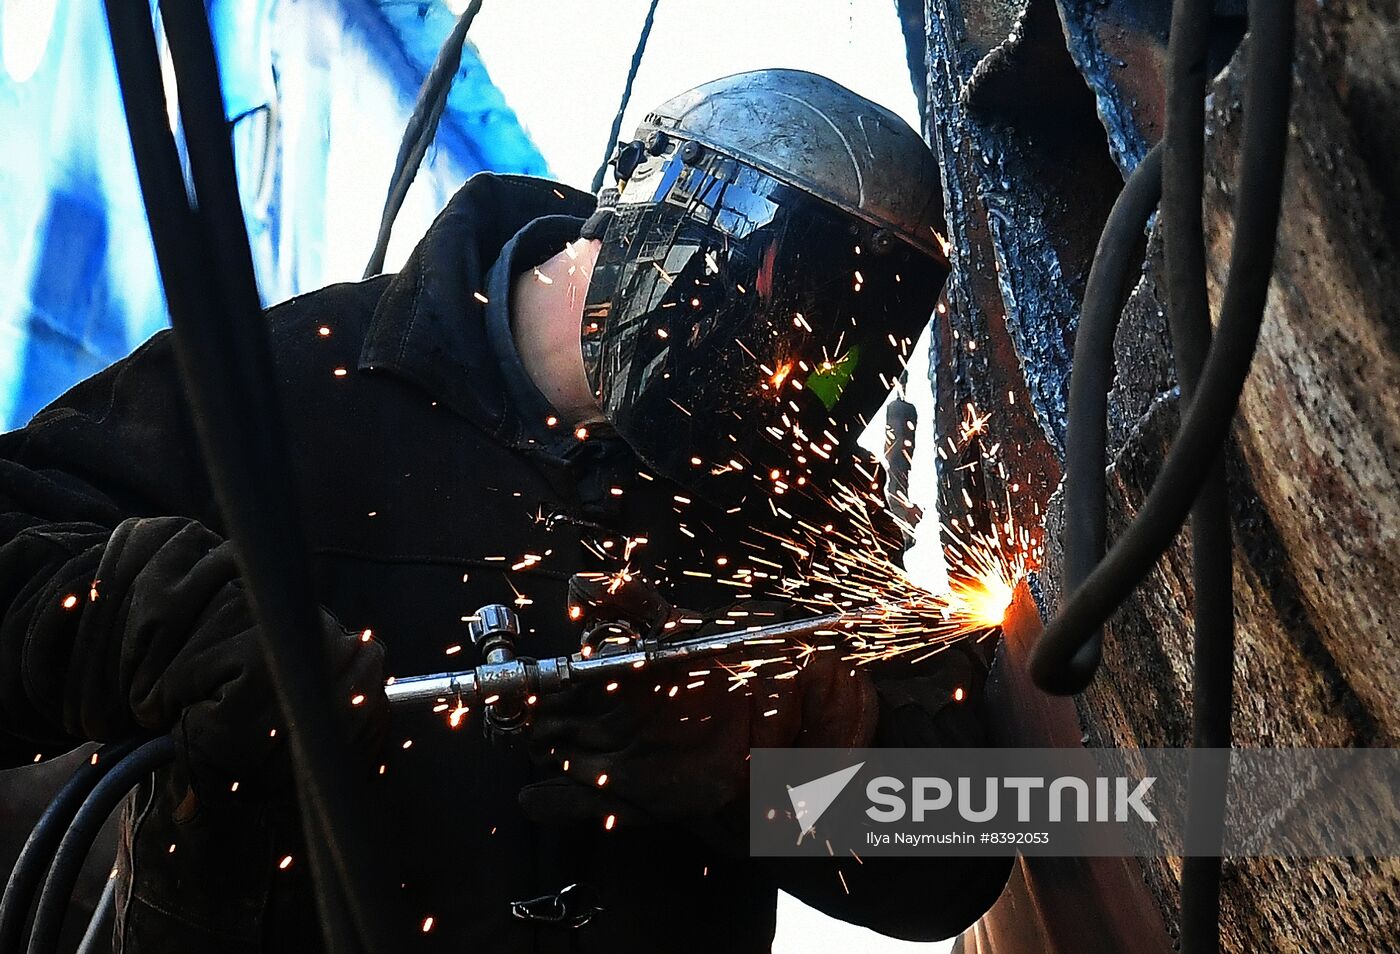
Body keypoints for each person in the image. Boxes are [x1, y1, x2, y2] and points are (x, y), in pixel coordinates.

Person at [0, 69, 1011, 952]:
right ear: (669, 235)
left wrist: (760, 750)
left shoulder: (786, 511)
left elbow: (972, 841)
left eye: (835, 372)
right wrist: (146, 622)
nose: (787, 392)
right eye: (778, 329)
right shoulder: (291, 387)